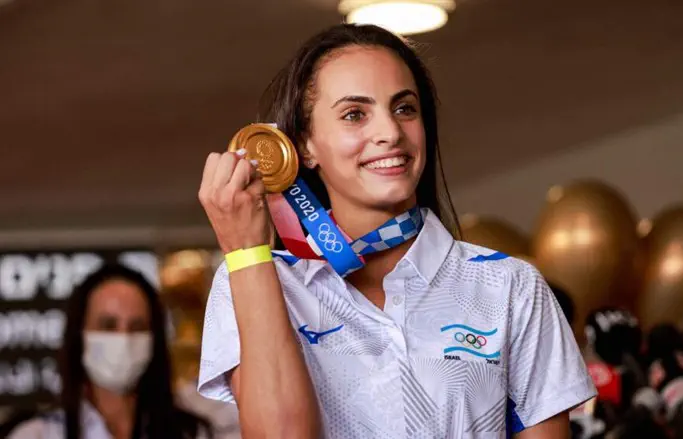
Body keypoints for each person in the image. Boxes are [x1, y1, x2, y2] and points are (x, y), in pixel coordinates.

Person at [197, 23, 595, 438]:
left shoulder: (510, 287)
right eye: (355, 114)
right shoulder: (255, 281)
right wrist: (246, 253)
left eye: (405, 108)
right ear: (304, 146)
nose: (390, 133)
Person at [8, 264, 213, 439]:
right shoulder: (37, 435)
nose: (123, 338)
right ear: (80, 335)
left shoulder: (191, 433)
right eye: (108, 325)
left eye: (137, 326)